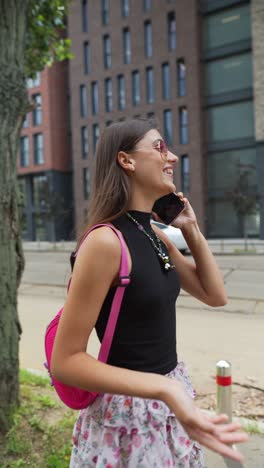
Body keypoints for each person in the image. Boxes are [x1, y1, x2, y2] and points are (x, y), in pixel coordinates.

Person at [51, 119, 247, 467]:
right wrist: (164, 389)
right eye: (159, 147)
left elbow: (215, 295)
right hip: (127, 419)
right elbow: (66, 362)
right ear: (126, 160)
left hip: (168, 412)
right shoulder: (105, 242)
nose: (171, 157)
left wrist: (191, 230)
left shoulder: (153, 234)